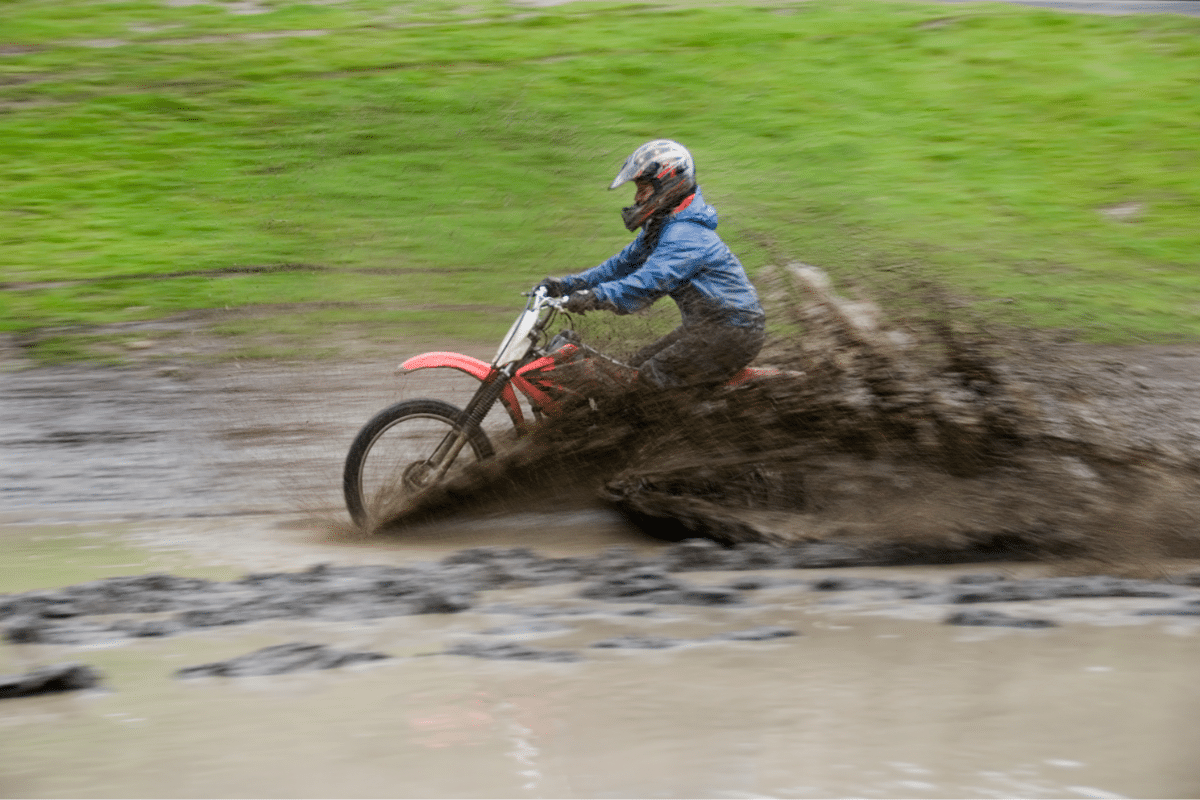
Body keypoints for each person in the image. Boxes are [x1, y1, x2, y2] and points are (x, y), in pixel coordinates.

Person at [537, 139, 766, 389]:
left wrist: (594, 296)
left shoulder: (685, 235)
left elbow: (646, 284)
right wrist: (566, 285)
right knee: (634, 366)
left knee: (650, 377)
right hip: (708, 328)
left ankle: (683, 427)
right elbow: (619, 267)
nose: (637, 198)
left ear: (667, 185)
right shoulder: (663, 226)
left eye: (643, 188)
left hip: (732, 333)